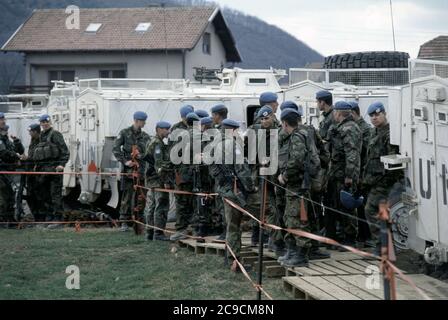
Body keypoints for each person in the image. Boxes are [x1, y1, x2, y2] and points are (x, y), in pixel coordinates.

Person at [209, 118, 257, 272]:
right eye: (236, 130)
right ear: (232, 130)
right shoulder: (231, 144)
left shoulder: (215, 144)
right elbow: (242, 170)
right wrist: (250, 188)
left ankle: (230, 258)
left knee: (230, 224)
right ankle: (234, 261)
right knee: (234, 226)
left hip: (223, 188)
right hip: (233, 190)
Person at [363, 102, 403, 251]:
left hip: (385, 183)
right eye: (372, 116)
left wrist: (387, 182)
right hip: (374, 181)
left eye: (377, 115)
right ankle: (384, 245)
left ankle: (383, 245)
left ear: (384, 114)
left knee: (372, 210)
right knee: (380, 213)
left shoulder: (389, 133)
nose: (374, 118)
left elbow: (393, 162)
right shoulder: (374, 132)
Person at [326, 101, 362, 248]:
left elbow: (351, 154)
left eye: (335, 112)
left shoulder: (349, 129)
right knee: (338, 205)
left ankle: (350, 238)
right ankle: (343, 236)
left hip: (344, 174)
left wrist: (349, 176)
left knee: (346, 205)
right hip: (337, 172)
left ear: (338, 113)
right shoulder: (342, 127)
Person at [277, 109, 310, 267]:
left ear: (284, 123)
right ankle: (292, 251)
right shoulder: (294, 136)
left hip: (298, 186)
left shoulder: (297, 137)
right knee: (289, 218)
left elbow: (296, 160)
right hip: (293, 186)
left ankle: (301, 255)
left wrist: (285, 176)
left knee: (297, 219)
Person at [112, 111, 150, 232]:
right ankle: (124, 221)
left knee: (141, 196)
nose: (144, 123)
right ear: (136, 121)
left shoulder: (145, 136)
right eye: (143, 121)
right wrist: (125, 161)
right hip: (129, 171)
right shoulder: (124, 133)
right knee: (127, 196)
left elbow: (149, 153)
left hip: (142, 171)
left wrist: (141, 156)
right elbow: (115, 148)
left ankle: (139, 219)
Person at [33, 114, 69, 225]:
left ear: (50, 122)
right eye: (42, 122)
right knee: (45, 195)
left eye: (46, 122)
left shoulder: (55, 134)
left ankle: (58, 219)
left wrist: (61, 165)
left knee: (55, 195)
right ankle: (49, 217)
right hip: (42, 170)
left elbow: (65, 151)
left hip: (54, 170)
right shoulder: (40, 136)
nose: (44, 124)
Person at [170, 112, 201, 241]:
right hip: (198, 174)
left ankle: (181, 229)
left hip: (184, 174)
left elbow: (173, 156)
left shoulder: (180, 136)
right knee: (196, 202)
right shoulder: (201, 135)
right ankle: (195, 229)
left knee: (182, 203)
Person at [143, 121, 173, 241]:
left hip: (151, 180)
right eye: (166, 129)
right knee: (161, 205)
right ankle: (158, 233)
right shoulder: (157, 144)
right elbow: (159, 165)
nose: (168, 131)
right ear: (159, 129)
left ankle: (149, 232)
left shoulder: (153, 141)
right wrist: (165, 181)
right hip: (157, 179)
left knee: (151, 206)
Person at [349, 101, 372, 246]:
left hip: (364, 172)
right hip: (358, 172)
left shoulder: (365, 129)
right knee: (358, 206)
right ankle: (362, 235)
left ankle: (367, 236)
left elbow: (366, 155)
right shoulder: (356, 127)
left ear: (354, 113)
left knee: (365, 207)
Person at [0, 124, 24, 227]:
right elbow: (3, 153)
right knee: (3, 197)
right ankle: (3, 220)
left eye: (6, 129)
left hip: (7, 172)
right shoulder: (1, 141)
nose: (6, 131)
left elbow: (20, 151)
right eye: (4, 129)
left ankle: (9, 220)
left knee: (9, 196)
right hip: (1, 172)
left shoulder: (7, 141)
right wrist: (16, 156)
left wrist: (17, 141)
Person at [25, 123, 45, 221]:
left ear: (35, 131)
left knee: (40, 195)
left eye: (30, 131)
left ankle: (41, 216)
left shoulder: (42, 141)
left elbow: (39, 157)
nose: (29, 133)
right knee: (31, 195)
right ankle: (36, 215)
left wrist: (27, 158)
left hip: (38, 173)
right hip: (31, 173)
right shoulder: (33, 141)